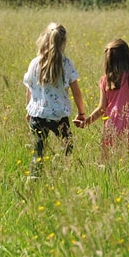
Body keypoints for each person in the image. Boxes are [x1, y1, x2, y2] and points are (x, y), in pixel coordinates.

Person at [23, 22, 86, 178]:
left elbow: (29, 89)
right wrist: (81, 113)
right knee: (67, 148)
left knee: (38, 151)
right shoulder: (66, 63)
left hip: (38, 115)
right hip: (59, 116)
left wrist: (28, 109)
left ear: (44, 39)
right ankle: (64, 176)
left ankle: (33, 179)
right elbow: (76, 92)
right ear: (63, 42)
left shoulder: (35, 63)